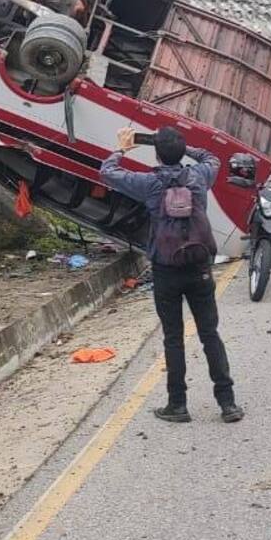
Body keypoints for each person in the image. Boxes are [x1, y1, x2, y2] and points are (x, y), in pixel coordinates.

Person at [100, 126, 244, 424]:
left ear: (156, 152)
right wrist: (183, 147)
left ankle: (177, 405)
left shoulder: (149, 183)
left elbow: (108, 171)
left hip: (166, 269)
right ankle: (228, 403)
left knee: (173, 338)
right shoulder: (200, 176)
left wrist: (123, 147)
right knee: (209, 334)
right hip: (199, 266)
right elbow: (211, 157)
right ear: (180, 150)